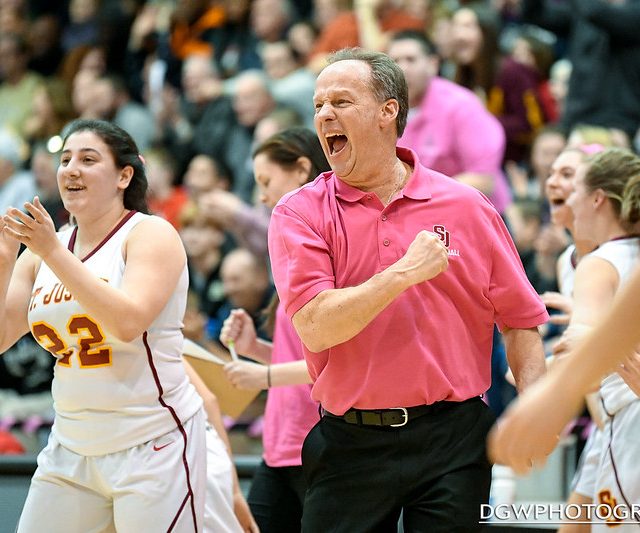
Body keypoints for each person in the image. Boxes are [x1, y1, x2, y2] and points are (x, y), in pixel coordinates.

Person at [268, 48, 548, 532]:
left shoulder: (466, 206)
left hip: (453, 438)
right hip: (350, 440)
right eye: (318, 105)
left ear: (388, 112)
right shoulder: (300, 212)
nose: (324, 115)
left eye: (340, 101)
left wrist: (537, 409)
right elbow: (315, 327)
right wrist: (402, 273)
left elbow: (520, 320)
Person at [0, 119, 206, 532]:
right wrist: (6, 258)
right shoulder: (42, 250)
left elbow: (127, 321)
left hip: (152, 441)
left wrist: (54, 252)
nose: (71, 169)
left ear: (124, 176)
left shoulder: (149, 234)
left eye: (88, 159)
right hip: (71, 444)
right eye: (65, 159)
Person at [489, 149, 640, 528]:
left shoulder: (600, 263)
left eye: (570, 178)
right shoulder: (577, 259)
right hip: (609, 424)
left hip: (626, 419)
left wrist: (549, 392)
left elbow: (581, 343)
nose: (559, 188)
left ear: (596, 197)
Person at [220, 127, 329, 533]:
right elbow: (300, 358)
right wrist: (254, 348)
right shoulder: (286, 246)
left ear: (301, 169)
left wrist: (263, 376)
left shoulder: (329, 242)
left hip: (317, 441)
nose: (262, 196)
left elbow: (336, 363)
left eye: (267, 182)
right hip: (279, 444)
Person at [387, 30, 511, 215]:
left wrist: (420, 198)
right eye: (396, 61)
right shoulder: (384, 111)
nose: (403, 69)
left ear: (433, 64)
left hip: (477, 215)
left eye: (411, 60)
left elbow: (483, 179)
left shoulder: (461, 105)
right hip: (417, 216)